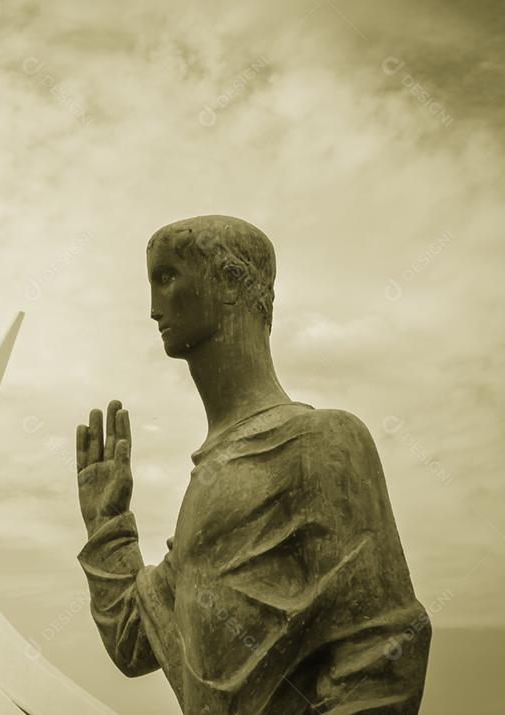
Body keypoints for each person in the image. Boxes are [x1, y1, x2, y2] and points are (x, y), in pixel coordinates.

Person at [76, 215, 430, 714]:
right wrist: (105, 520)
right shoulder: (212, 480)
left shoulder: (322, 442)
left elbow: (384, 657)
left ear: (229, 283)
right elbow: (136, 641)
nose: (153, 309)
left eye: (168, 277)